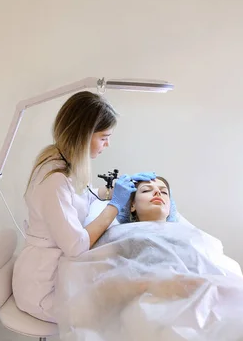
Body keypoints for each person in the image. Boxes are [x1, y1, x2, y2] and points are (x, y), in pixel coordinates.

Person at [12, 90, 155, 323]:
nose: (107, 144)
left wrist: (110, 191)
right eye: (104, 137)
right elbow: (76, 246)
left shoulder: (60, 158)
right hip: (42, 288)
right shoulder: (54, 178)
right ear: (83, 135)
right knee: (119, 311)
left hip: (55, 271)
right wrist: (115, 206)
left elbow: (80, 197)